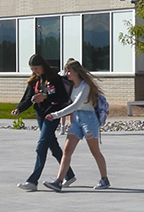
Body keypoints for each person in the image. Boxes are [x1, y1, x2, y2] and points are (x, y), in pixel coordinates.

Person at [43, 60, 110, 191]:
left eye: (69, 71)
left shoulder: (85, 86)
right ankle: (58, 181)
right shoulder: (72, 86)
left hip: (89, 119)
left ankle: (104, 179)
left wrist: (55, 115)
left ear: (76, 72)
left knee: (95, 151)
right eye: (66, 71)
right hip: (77, 119)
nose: (67, 73)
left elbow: (75, 105)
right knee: (67, 150)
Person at [12, 55, 75, 191]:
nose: (35, 71)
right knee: (52, 145)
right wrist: (18, 109)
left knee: (41, 146)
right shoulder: (34, 80)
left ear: (43, 65)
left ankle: (33, 181)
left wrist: (46, 96)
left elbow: (62, 97)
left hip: (52, 115)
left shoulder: (54, 78)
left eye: (36, 68)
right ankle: (69, 175)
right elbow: (28, 98)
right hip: (40, 115)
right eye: (32, 69)